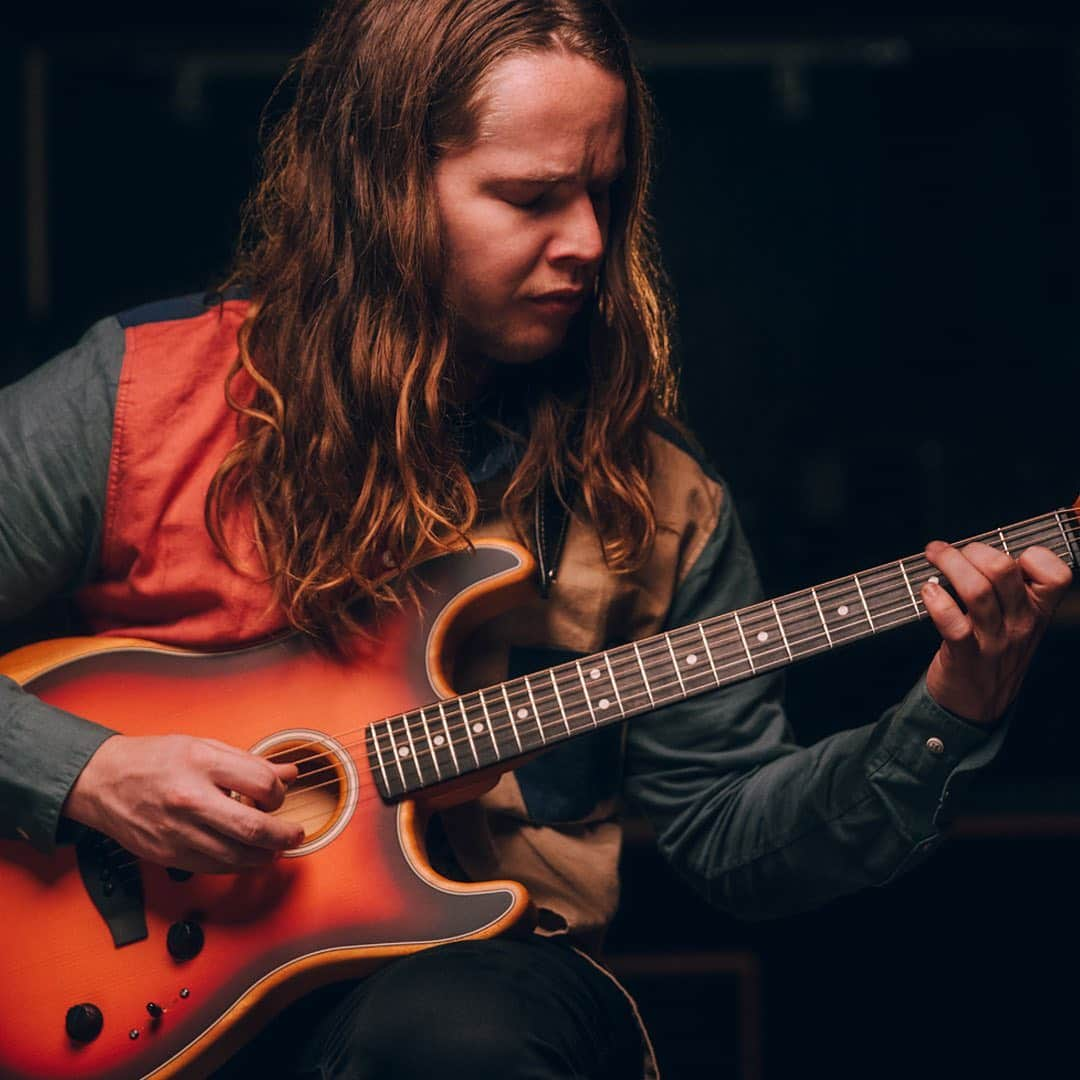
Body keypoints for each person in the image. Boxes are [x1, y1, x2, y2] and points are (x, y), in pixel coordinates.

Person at [0, 1, 1072, 1076]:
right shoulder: (141, 397)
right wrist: (88, 772)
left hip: (466, 1002)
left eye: (604, 192)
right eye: (530, 198)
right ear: (377, 193)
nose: (590, 244)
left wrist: (950, 712)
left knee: (462, 1037)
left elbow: (741, 844)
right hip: (131, 997)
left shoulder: (657, 497)